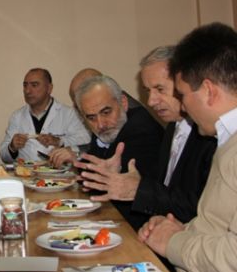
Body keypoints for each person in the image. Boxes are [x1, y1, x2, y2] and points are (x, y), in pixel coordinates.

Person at [138, 23, 237, 272]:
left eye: (182, 94)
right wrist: (181, 230)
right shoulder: (226, 139)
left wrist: (173, 241)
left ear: (208, 91)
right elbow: (218, 225)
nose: (183, 106)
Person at [77, 46, 215, 223]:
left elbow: (206, 210)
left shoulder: (210, 134)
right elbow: (164, 188)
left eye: (160, 89)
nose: (150, 101)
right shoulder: (173, 127)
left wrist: (139, 190)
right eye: (148, 91)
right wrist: (118, 175)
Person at [73, 75, 164, 229]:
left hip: (141, 228)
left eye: (106, 112)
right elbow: (88, 174)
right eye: (91, 118)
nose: (101, 124)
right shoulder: (110, 129)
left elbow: (96, 184)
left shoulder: (141, 129)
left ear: (123, 103)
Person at [0, 68, 90, 163]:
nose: (27, 91)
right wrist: (12, 147)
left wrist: (59, 141)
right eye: (25, 85)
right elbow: (4, 157)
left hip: (61, 171)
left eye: (34, 85)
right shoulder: (17, 117)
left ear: (49, 88)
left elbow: (86, 144)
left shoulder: (69, 114)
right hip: (26, 172)